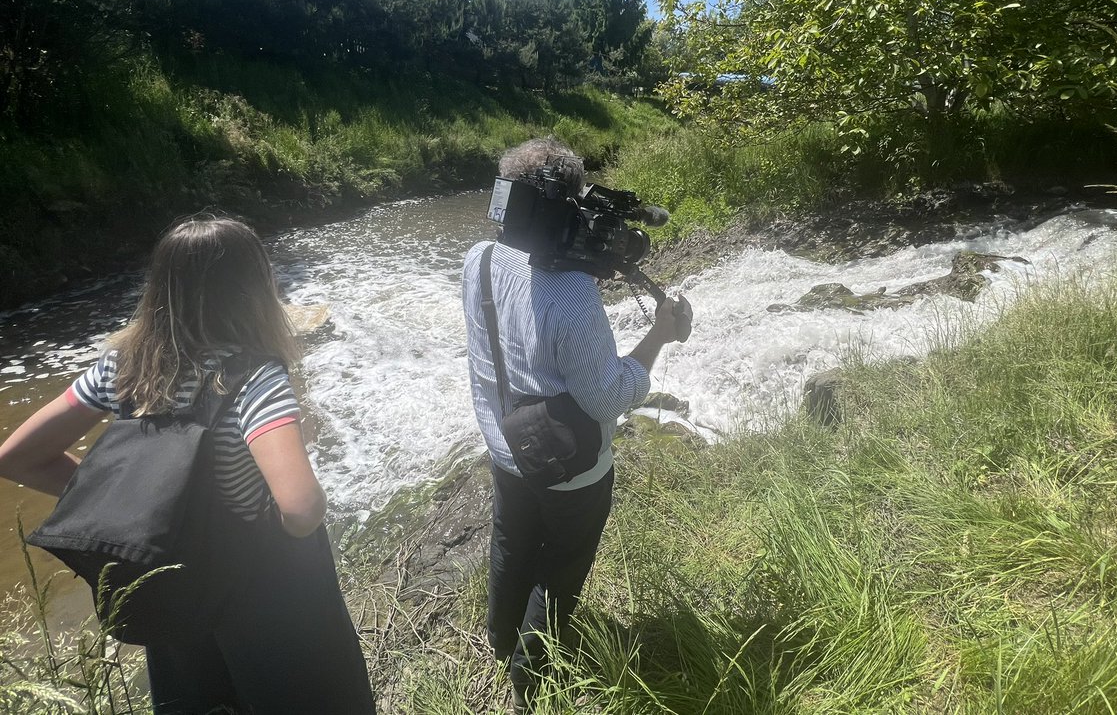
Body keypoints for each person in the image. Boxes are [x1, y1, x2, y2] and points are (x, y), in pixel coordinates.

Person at [0, 214, 375, 715]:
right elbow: (301, 507)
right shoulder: (254, 377)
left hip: (168, 581)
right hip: (263, 592)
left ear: (162, 287)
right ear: (253, 287)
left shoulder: (122, 366)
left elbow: (18, 458)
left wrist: (132, 508)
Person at [461, 138, 690, 711]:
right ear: (564, 206)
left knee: (511, 540)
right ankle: (528, 680)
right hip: (569, 466)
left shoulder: (478, 259)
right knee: (560, 567)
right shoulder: (570, 293)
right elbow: (609, 396)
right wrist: (660, 334)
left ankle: (499, 638)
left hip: (503, 442)